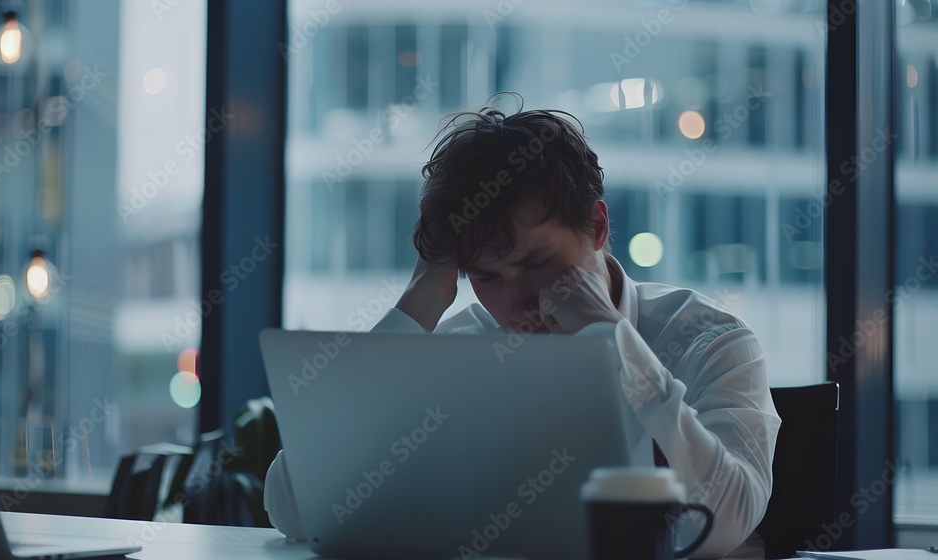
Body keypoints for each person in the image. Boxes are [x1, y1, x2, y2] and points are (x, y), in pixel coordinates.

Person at [264, 97, 781, 559]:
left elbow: (725, 524)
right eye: (484, 276)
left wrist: (612, 338)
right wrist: (419, 304)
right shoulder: (461, 349)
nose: (515, 306)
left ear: (597, 227)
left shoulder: (707, 341)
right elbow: (296, 507)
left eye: (537, 264)